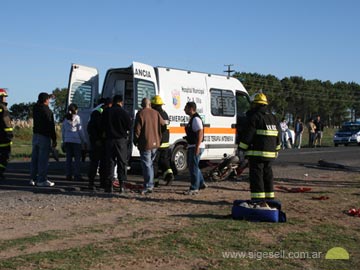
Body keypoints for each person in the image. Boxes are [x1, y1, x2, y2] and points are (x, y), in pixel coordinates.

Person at [238, 93, 280, 201]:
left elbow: (248, 135)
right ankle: (270, 198)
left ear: (255, 104)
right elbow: (278, 134)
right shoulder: (272, 117)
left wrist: (242, 148)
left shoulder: (254, 117)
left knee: (257, 177)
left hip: (257, 153)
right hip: (271, 153)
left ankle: (258, 200)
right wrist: (277, 148)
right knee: (268, 176)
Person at [133, 98, 165, 195]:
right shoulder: (156, 113)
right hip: (156, 142)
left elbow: (137, 130)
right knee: (150, 164)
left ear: (141, 105)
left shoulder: (140, 114)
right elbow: (164, 124)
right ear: (150, 104)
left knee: (146, 165)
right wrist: (159, 135)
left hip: (145, 143)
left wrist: (135, 141)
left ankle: (148, 185)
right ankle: (149, 184)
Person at [102, 95, 131, 193]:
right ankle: (121, 185)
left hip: (109, 140)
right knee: (121, 162)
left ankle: (109, 185)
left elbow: (101, 125)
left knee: (110, 162)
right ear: (121, 102)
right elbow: (129, 126)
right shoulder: (124, 113)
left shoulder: (106, 112)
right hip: (120, 141)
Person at [30, 92, 57, 187]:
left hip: (35, 135)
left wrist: (48, 95)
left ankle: (33, 178)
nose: (49, 101)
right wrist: (54, 139)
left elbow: (39, 102)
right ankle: (42, 179)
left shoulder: (36, 108)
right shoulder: (48, 111)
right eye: (48, 99)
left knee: (35, 158)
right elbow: (51, 126)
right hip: (44, 136)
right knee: (43, 160)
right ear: (46, 100)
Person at [87, 98, 112, 190]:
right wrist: (97, 139)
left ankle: (96, 182)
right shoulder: (99, 113)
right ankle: (94, 182)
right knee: (99, 163)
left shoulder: (97, 112)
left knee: (98, 163)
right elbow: (92, 128)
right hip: (99, 142)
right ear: (108, 105)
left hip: (98, 142)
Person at [183, 101, 207, 195]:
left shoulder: (196, 119)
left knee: (193, 167)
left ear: (191, 109)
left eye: (186, 107)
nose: (184, 109)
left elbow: (200, 133)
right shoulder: (192, 119)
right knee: (194, 166)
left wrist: (197, 147)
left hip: (196, 146)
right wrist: (188, 143)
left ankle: (194, 188)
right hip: (192, 145)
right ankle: (201, 183)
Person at [151, 95, 174, 187]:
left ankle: (155, 181)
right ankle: (169, 175)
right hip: (165, 141)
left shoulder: (156, 114)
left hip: (158, 141)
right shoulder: (165, 113)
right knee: (164, 160)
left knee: (155, 162)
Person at [62, 103, 86, 181]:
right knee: (77, 159)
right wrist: (84, 140)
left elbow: (63, 131)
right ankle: (77, 175)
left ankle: (68, 175)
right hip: (76, 140)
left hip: (67, 140)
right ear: (75, 110)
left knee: (68, 159)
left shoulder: (65, 118)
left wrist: (63, 140)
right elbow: (80, 130)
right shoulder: (77, 118)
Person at [0, 88, 13, 181]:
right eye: (4, 97)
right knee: (5, 155)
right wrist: (9, 135)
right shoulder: (3, 108)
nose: (5, 99)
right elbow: (6, 123)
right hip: (3, 137)